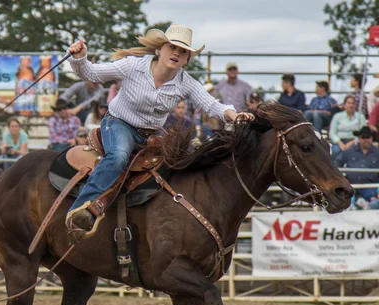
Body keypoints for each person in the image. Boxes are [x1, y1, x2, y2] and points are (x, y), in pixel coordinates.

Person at [63, 24, 250, 238]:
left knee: (179, 167)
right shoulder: (132, 66)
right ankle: (80, 211)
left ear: (187, 59)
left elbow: (211, 105)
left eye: (183, 51)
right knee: (119, 156)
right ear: (160, 49)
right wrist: (80, 58)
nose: (176, 53)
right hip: (118, 123)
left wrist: (235, 116)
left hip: (150, 136)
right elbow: (91, 73)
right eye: (172, 47)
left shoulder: (186, 83)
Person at [335, 126, 379, 209]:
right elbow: (337, 162)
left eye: (368, 137)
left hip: (371, 187)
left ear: (372, 138)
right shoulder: (349, 151)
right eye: (363, 137)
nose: (366, 139)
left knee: (373, 201)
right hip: (351, 186)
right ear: (359, 139)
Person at [329, 95, 366, 159]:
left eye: (353, 103)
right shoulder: (337, 116)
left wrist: (352, 142)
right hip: (339, 142)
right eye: (349, 103)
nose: (351, 105)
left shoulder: (360, 117)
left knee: (354, 151)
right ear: (344, 105)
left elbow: (364, 133)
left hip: (355, 142)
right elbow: (332, 133)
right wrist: (341, 144)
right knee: (336, 151)